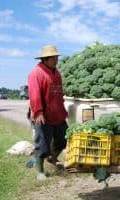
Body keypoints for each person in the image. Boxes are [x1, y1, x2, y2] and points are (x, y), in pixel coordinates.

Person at [28, 45, 68, 181]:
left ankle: (53, 158)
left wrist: (62, 109)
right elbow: (34, 95)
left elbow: (59, 93)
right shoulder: (36, 73)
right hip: (43, 116)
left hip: (58, 114)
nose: (57, 60)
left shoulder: (56, 72)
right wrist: (38, 112)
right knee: (42, 144)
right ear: (45, 59)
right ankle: (40, 171)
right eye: (54, 58)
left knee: (64, 139)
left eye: (57, 57)